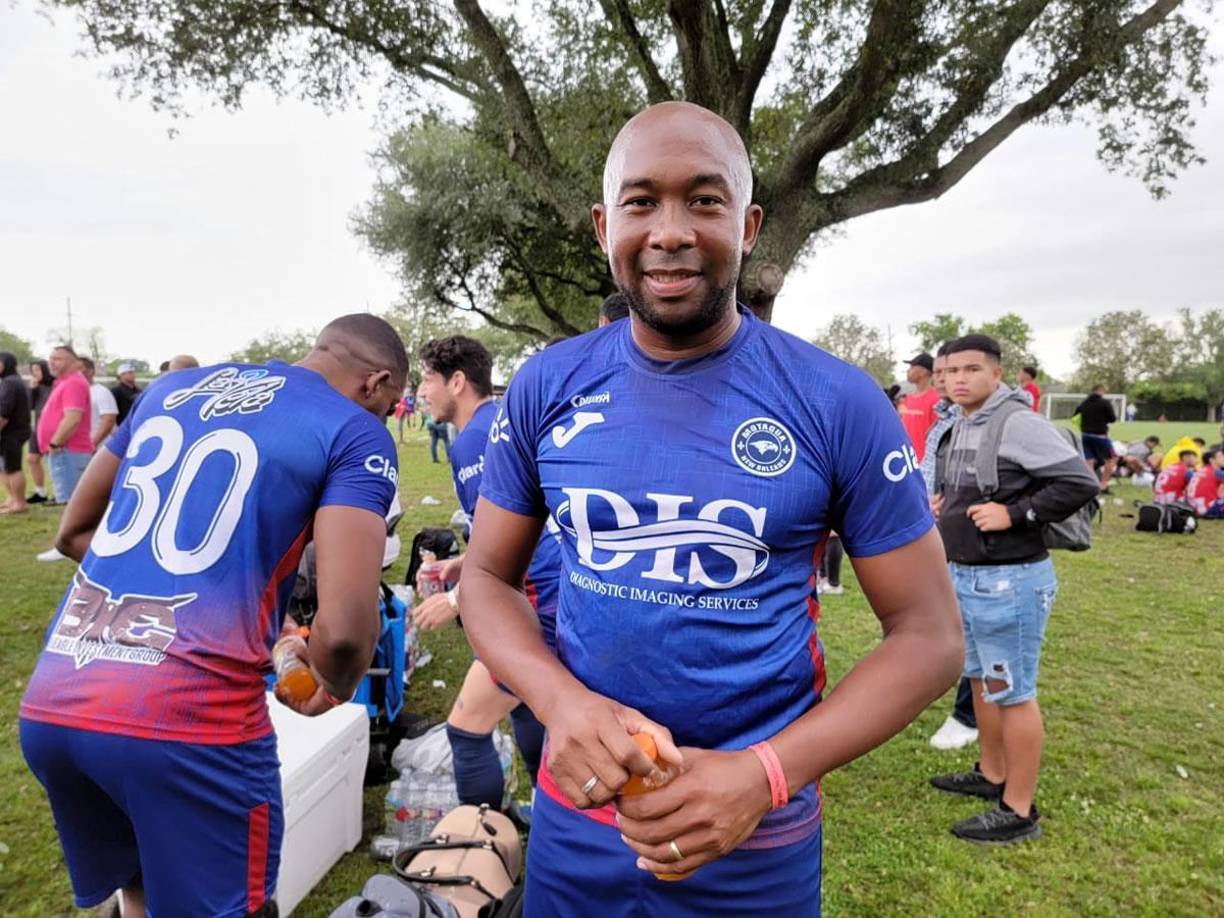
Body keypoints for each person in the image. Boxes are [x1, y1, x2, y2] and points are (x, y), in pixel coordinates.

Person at [460, 101, 962, 915]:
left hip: (750, 832)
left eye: (704, 199)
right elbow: (486, 577)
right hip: (576, 808)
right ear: (602, 224)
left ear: (750, 223)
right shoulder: (548, 383)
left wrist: (765, 774)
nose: (670, 230)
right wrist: (560, 702)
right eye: (641, 201)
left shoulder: (834, 400)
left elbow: (931, 637)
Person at [19, 313, 406, 917]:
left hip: (59, 698)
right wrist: (330, 683)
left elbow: (75, 532)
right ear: (376, 383)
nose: (382, 417)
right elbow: (349, 634)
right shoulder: (353, 430)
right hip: (189, 721)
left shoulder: (170, 390)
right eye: (388, 405)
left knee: (142, 892)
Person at [929, 334, 1099, 844]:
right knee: (981, 681)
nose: (958, 379)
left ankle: (1018, 809)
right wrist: (947, 504)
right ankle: (992, 773)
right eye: (951, 370)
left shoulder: (1017, 422)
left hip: (1009, 581)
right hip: (969, 575)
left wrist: (1015, 514)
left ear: (996, 375)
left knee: (1012, 691)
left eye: (971, 370)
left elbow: (1079, 482)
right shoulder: (962, 421)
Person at [411, 335, 560, 812]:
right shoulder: (499, 420)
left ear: (458, 382)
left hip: (537, 607)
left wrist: (456, 600)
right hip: (554, 602)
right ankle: (548, 810)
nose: (419, 392)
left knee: (467, 727)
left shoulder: (477, 438)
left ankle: (481, 843)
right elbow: (514, 525)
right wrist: (461, 563)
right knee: (529, 711)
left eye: (427, 380)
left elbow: (526, 548)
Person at [921, 345, 978, 752]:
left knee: (973, 629)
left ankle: (968, 714)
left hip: (974, 542)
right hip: (936, 526)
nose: (946, 378)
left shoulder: (988, 421)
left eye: (956, 370)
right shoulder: (944, 417)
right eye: (943, 371)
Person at [37, 345, 93, 527]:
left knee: (70, 502)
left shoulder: (74, 383)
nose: (52, 363)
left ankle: (70, 544)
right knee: (68, 499)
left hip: (68, 451)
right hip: (65, 451)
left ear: (75, 363)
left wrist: (54, 443)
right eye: (51, 358)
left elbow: (73, 418)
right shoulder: (64, 383)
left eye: (58, 359)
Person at [0, 352, 32, 514]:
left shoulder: (10, 383)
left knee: (13, 468)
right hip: (13, 431)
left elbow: (4, 411)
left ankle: (19, 503)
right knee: (3, 468)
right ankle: (11, 499)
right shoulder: (12, 381)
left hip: (12, 432)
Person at [1072, 385, 1117, 490]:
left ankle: (1091, 484)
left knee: (1089, 461)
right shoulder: (1104, 403)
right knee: (1111, 459)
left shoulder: (1084, 403)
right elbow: (1112, 419)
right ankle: (1103, 484)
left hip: (1085, 435)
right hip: (1100, 436)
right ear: (1101, 391)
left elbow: (1075, 416)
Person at [899, 353, 940, 462]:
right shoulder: (908, 399)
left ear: (923, 372)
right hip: (906, 461)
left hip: (924, 464)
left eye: (912, 367)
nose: (908, 371)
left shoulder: (936, 400)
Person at [26, 358, 53, 504]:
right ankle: (40, 492)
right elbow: (29, 406)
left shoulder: (56, 385)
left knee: (53, 462)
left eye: (38, 369)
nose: (35, 373)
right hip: (38, 428)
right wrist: (32, 389)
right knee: (31, 458)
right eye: (33, 370)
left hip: (53, 429)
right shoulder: (37, 387)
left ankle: (60, 492)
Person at [80, 357, 119, 451]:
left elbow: (109, 420)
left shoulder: (101, 392)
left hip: (98, 448)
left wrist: (93, 444)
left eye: (79, 368)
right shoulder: (74, 392)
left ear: (91, 371)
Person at [1187, 449, 1224, 519]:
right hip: (1208, 509)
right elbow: (1221, 494)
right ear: (1212, 460)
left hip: (1195, 508)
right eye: (1221, 456)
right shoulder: (1217, 473)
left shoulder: (1202, 470)